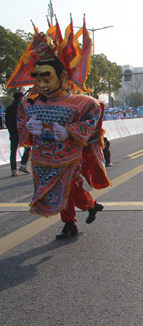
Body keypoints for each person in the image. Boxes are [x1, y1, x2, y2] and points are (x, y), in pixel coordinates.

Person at [7, 22, 110, 239]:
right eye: (39, 79)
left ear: (62, 78)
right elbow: (21, 123)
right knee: (61, 190)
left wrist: (69, 131)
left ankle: (73, 220)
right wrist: (28, 127)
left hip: (69, 156)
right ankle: (83, 212)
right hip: (42, 158)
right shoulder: (30, 104)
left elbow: (94, 119)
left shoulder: (81, 103)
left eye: (47, 78)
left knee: (67, 188)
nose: (42, 84)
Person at [5, 91, 31, 176]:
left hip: (13, 131)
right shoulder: (23, 107)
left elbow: (6, 121)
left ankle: (13, 170)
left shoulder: (9, 108)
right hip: (22, 130)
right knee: (27, 146)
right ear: (21, 97)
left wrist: (10, 129)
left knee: (13, 150)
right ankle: (23, 164)